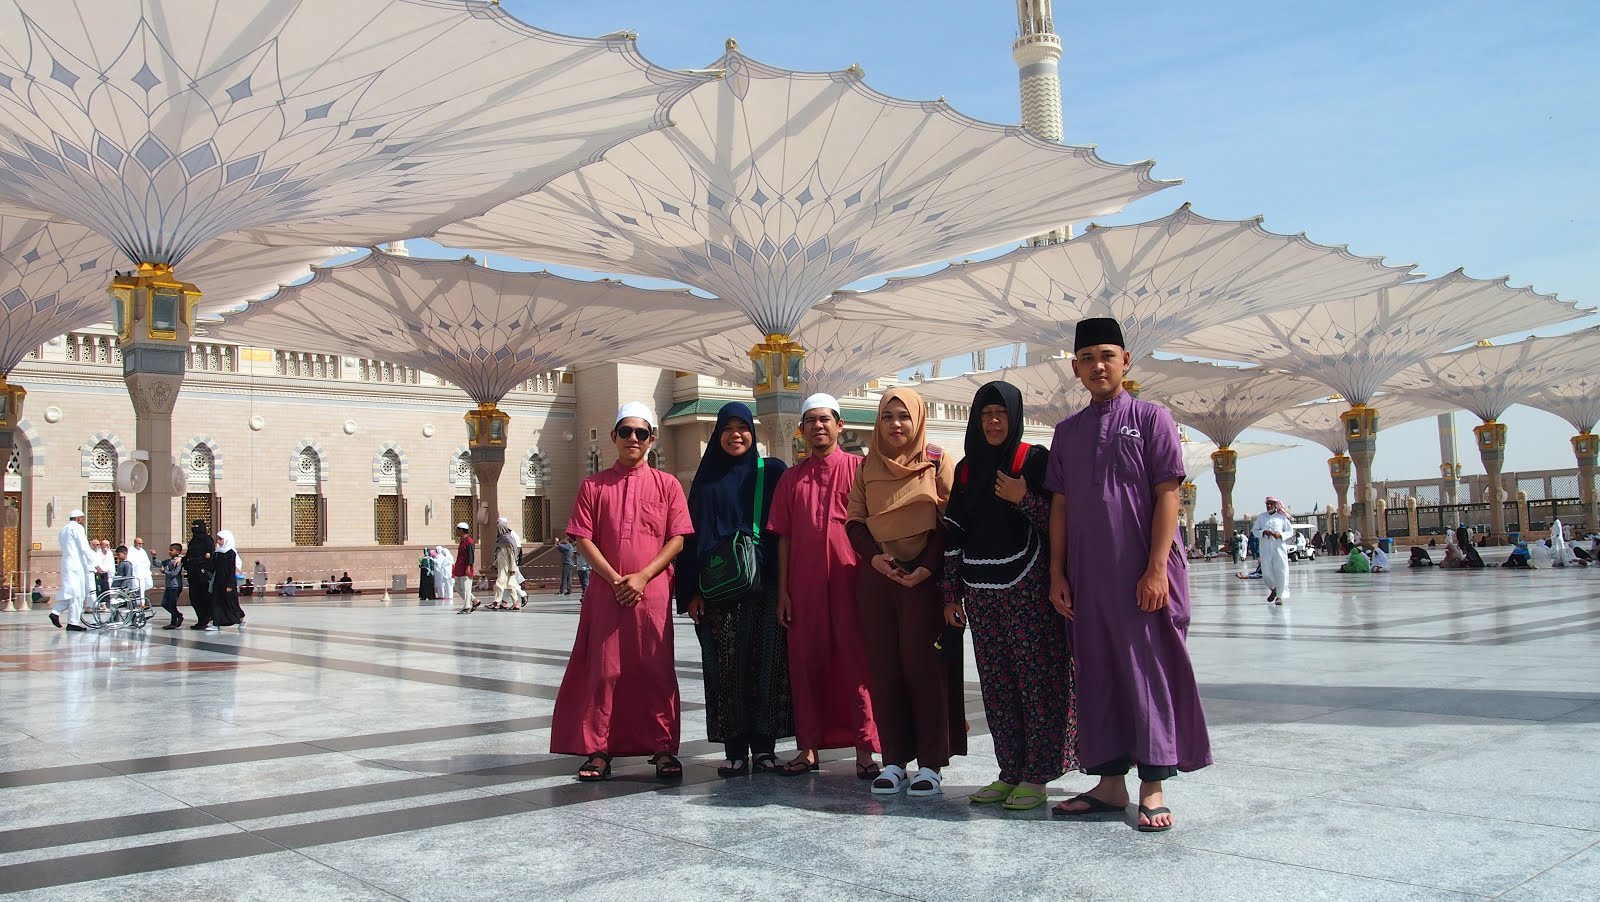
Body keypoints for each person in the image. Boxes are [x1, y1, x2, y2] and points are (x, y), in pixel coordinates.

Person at [1046, 317, 1210, 832]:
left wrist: (1157, 567)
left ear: (1125, 362)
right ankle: (1110, 784)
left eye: (1107, 355)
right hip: (1089, 577)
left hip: (1142, 575)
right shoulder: (1067, 432)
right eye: (1088, 358)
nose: (1098, 365)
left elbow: (1168, 493)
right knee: (1097, 675)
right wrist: (1057, 571)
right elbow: (1061, 505)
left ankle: (1152, 786)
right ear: (1075, 368)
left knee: (1147, 673)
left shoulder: (1152, 418)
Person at [941, 382, 1075, 811]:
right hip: (981, 593)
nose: (994, 422)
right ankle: (1010, 770)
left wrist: (1024, 499)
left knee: (1037, 682)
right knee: (998, 686)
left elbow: (1060, 520)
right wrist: (950, 592)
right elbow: (955, 535)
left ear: (1014, 417)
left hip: (1028, 590)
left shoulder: (1033, 460)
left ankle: (1038, 773)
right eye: (985, 414)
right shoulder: (965, 471)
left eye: (1001, 413)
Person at [551, 402, 692, 782]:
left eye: (641, 433)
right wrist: (615, 579)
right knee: (605, 669)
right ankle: (599, 749)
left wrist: (643, 577)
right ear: (613, 437)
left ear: (652, 440)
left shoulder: (667, 485)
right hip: (606, 592)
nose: (633, 438)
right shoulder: (593, 486)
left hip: (653, 592)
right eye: (626, 431)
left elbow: (677, 539)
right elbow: (581, 536)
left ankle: (663, 747)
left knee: (655, 668)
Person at [846, 387, 963, 797]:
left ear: (917, 420)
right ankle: (894, 759)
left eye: (903, 417)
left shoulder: (936, 461)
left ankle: (930, 763)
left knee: (923, 668)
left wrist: (927, 567)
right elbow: (854, 519)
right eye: (887, 416)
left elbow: (950, 520)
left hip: (924, 581)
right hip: (879, 579)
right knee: (885, 669)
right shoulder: (867, 466)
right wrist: (875, 559)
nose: (895, 424)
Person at [766, 393, 880, 779]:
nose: (817, 426)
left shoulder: (860, 469)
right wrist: (783, 591)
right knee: (805, 664)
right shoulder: (790, 478)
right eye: (810, 421)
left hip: (851, 581)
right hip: (804, 586)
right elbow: (784, 537)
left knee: (856, 662)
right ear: (801, 429)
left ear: (839, 425)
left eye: (824, 420)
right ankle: (808, 748)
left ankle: (866, 750)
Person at [678, 401, 793, 776]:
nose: (735, 435)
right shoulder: (707, 479)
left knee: (766, 669)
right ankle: (734, 749)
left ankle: (763, 747)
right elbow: (691, 538)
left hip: (764, 587)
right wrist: (691, 593)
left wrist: (787, 589)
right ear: (717, 435)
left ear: (753, 432)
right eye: (727, 428)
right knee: (724, 670)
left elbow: (787, 531)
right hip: (716, 592)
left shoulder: (772, 472)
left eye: (742, 427)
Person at [50, 510, 94, 632]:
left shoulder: (63, 529)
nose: (83, 521)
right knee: (77, 594)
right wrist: (94, 563)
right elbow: (84, 547)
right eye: (83, 519)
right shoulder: (78, 528)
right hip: (76, 565)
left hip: (67, 564)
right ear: (79, 519)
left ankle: (55, 612)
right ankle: (73, 623)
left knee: (71, 593)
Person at [1251, 497, 1295, 605]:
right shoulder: (1261, 517)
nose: (1269, 506)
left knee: (1281, 571)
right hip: (1265, 548)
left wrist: (1281, 535)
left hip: (1279, 548)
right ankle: (1274, 589)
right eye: (1267, 504)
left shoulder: (1282, 517)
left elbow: (1290, 531)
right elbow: (1254, 531)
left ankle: (1279, 596)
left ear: (1276, 505)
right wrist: (1263, 532)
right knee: (1266, 572)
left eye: (1271, 504)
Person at [182, 520, 215, 629]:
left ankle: (207, 617)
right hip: (193, 574)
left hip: (203, 574)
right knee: (194, 597)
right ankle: (201, 619)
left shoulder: (207, 540)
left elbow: (210, 558)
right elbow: (189, 556)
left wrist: (197, 561)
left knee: (204, 597)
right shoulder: (193, 541)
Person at [211, 530, 244, 629]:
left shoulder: (231, 553)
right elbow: (213, 567)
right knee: (217, 602)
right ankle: (216, 623)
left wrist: (229, 585)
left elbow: (231, 569)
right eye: (218, 539)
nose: (219, 541)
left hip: (228, 582)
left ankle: (242, 618)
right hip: (218, 581)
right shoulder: (218, 552)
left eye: (221, 539)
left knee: (231, 602)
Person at [490, 518, 523, 610]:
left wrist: (512, 568)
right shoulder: (501, 539)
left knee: (499, 583)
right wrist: (494, 564)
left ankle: (496, 602)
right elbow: (501, 555)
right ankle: (516, 603)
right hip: (502, 566)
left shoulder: (507, 539)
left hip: (508, 567)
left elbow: (512, 556)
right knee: (510, 585)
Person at [451, 523, 477, 613]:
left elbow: (471, 556)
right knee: (458, 587)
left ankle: (467, 607)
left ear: (461, 530)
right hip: (460, 568)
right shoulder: (463, 541)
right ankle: (474, 600)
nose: (456, 531)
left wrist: (469, 567)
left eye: (457, 529)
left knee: (466, 588)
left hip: (466, 568)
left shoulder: (469, 542)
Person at [159, 543, 185, 629]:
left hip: (175, 586)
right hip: (169, 586)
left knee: (171, 604)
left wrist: (164, 572)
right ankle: (176, 618)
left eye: (172, 550)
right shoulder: (168, 561)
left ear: (177, 552)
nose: (169, 552)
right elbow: (158, 563)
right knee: (165, 604)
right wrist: (154, 557)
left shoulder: (178, 562)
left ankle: (176, 619)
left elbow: (174, 573)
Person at [128, 537, 154, 610]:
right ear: (135, 543)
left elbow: (147, 561)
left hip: (144, 572)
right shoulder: (131, 551)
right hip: (136, 573)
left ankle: (141, 603)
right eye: (139, 543)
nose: (141, 545)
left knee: (146, 585)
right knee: (139, 588)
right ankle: (141, 604)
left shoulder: (142, 551)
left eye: (142, 543)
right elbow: (131, 562)